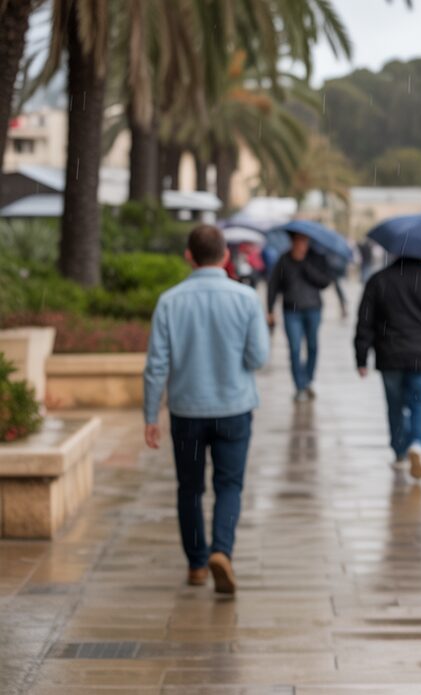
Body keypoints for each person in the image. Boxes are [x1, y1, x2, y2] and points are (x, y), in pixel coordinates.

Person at [143, 224, 270, 595]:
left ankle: (197, 564)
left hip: (187, 412)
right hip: (234, 409)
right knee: (229, 484)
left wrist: (151, 415)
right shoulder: (245, 299)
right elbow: (258, 357)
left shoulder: (170, 301)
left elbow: (156, 366)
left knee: (190, 488)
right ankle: (222, 552)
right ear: (226, 255)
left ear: (188, 255)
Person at [354, 255, 421, 478]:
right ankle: (417, 444)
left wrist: (361, 357)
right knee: (420, 403)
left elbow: (365, 320)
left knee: (395, 406)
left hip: (389, 354)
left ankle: (400, 452)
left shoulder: (379, 279)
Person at [266, 232, 334, 401]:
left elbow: (324, 282)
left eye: (303, 241)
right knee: (295, 348)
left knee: (312, 346)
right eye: (297, 241)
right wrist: (270, 309)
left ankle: (308, 379)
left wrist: (304, 264)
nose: (300, 245)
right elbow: (273, 284)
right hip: (291, 310)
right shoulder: (284, 260)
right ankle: (299, 386)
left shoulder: (317, 258)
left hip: (313, 308)